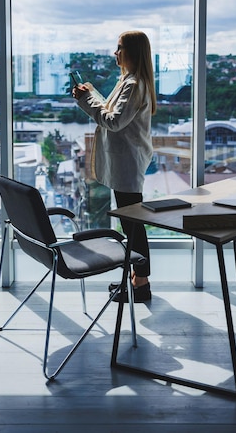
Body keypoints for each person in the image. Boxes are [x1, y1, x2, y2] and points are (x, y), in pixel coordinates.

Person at [72, 30, 156, 302]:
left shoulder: (133, 84)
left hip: (127, 164)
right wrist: (92, 93)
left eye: (119, 48)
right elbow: (112, 110)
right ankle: (136, 278)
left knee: (133, 225)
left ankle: (140, 282)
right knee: (131, 223)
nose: (115, 53)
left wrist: (85, 100)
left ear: (131, 52)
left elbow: (112, 121)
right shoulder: (130, 81)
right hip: (126, 162)